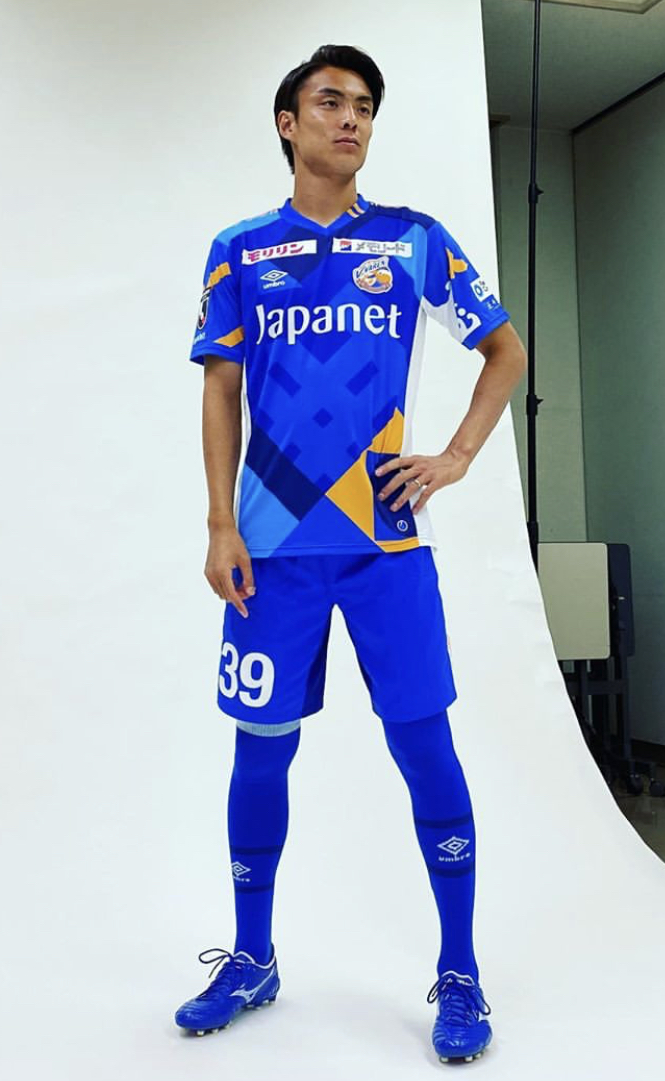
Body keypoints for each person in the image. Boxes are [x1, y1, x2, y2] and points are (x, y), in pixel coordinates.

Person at [174, 43, 527, 1064]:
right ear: (287, 124)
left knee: (425, 748)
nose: (350, 119)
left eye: (364, 106)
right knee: (260, 751)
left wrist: (455, 456)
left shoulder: (412, 240)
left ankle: (458, 969)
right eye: (329, 102)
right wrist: (219, 522)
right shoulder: (240, 250)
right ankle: (252, 956)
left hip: (385, 546)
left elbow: (502, 349)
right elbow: (219, 388)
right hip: (271, 552)